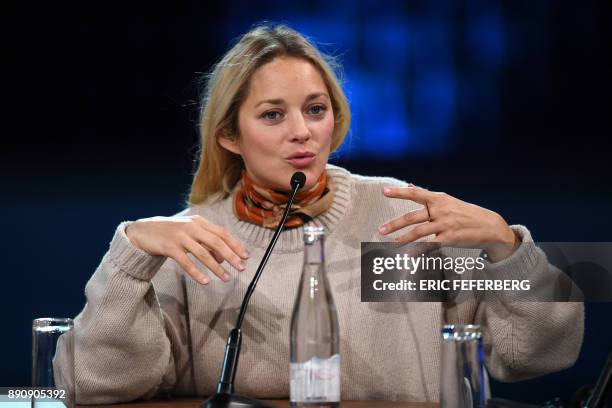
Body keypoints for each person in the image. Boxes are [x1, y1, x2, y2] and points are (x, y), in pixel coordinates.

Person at [57, 24, 583, 404]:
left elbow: (537, 353)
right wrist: (127, 257)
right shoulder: (194, 239)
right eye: (272, 115)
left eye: (315, 109)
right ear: (228, 135)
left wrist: (509, 249)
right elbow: (91, 383)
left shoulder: (400, 216)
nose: (302, 132)